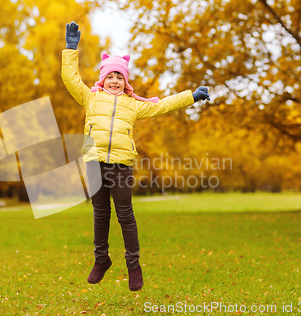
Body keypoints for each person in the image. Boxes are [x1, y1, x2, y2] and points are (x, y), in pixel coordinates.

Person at [61, 21, 210, 291]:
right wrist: (71, 49)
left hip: (120, 166)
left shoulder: (134, 105)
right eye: (111, 76)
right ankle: (101, 259)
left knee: (125, 215)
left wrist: (191, 96)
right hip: (94, 163)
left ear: (125, 80)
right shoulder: (90, 98)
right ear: (102, 78)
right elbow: (70, 79)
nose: (115, 81)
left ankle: (133, 265)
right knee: (100, 214)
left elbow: (164, 104)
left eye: (120, 76)